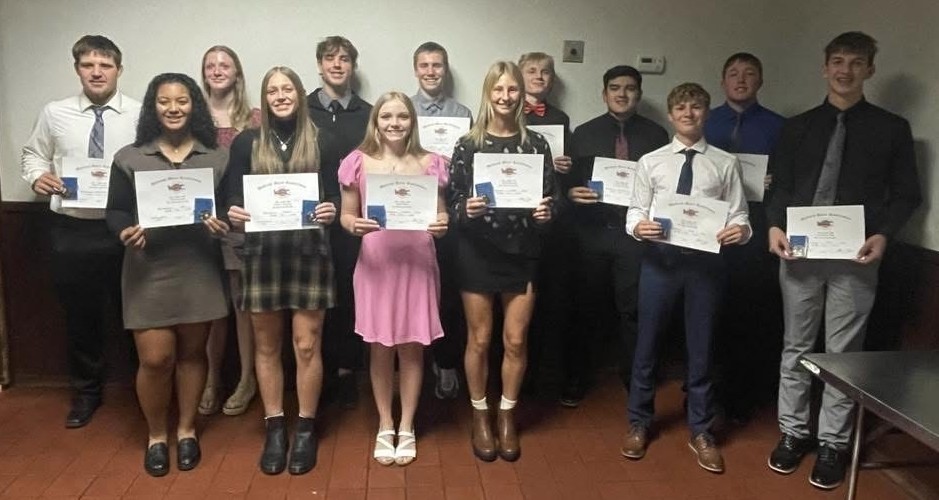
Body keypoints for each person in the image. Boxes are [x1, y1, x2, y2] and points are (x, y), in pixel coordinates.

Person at [766, 32, 920, 490]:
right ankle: (793, 433)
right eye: (837, 61)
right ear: (824, 67)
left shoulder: (892, 128)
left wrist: (883, 236)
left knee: (843, 356)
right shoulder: (796, 127)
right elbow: (777, 187)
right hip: (799, 253)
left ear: (870, 69)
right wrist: (774, 226)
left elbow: (907, 194)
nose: (845, 70)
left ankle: (833, 442)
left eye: (856, 62)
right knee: (796, 347)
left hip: (856, 256)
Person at [106, 73, 230, 476]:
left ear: (194, 105)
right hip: (148, 268)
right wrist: (123, 231)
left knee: (194, 354)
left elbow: (230, 207)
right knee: (156, 359)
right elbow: (117, 211)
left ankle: (187, 430)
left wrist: (223, 222)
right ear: (153, 107)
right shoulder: (130, 156)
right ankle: (156, 435)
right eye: (164, 101)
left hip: (199, 267)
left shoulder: (216, 156)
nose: (173, 108)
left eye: (182, 101)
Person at [622, 83, 750, 474]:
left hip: (705, 267)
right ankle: (639, 422)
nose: (689, 113)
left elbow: (741, 216)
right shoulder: (651, 161)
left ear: (706, 113)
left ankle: (701, 429)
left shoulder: (725, 164)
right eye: (681, 107)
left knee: (702, 347)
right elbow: (634, 211)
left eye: (696, 107)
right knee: (647, 345)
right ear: (671, 114)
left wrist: (740, 232)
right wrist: (638, 228)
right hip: (659, 263)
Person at [224, 66, 340, 476]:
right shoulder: (246, 142)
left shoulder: (322, 139)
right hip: (263, 254)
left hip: (309, 253)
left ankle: (305, 428)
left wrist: (332, 209)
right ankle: (275, 426)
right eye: (271, 90)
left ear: (299, 93)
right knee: (267, 346)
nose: (280, 95)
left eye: (286, 88)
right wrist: (233, 212)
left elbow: (335, 196)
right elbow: (231, 199)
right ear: (264, 97)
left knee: (307, 345)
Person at [21, 35, 141, 429]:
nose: (97, 72)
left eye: (105, 65)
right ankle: (87, 393)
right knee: (80, 317)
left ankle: (143, 392)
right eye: (88, 65)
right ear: (78, 69)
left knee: (134, 315)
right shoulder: (55, 113)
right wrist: (38, 176)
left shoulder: (139, 114)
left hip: (123, 229)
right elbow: (33, 153)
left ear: (119, 70)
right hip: (71, 228)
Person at [447, 61, 555, 462]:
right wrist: (466, 210)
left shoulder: (536, 144)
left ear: (520, 94)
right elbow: (453, 201)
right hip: (477, 252)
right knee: (479, 339)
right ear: (488, 94)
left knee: (515, 339)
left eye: (512, 90)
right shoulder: (468, 144)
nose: (506, 97)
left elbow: (552, 198)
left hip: (522, 252)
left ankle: (507, 412)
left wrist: (548, 213)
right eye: (499, 90)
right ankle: (479, 413)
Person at [338, 91, 449, 466]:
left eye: (402, 116)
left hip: (417, 265)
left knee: (412, 347)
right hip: (376, 265)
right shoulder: (357, 162)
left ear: (412, 121)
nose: (394, 123)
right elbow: (346, 216)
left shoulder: (432, 163)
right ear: (376, 121)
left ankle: (408, 424)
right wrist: (355, 225)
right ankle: (386, 424)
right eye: (386, 116)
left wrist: (442, 224)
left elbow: (441, 216)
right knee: (381, 347)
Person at [563, 65, 668, 406]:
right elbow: (570, 184)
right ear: (604, 93)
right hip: (593, 232)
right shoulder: (583, 133)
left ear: (639, 93)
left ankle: (634, 379)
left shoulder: (656, 136)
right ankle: (577, 377)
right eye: (615, 88)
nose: (622, 94)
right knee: (585, 307)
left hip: (634, 237)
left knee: (633, 310)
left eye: (630, 88)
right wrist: (571, 195)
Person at [704, 52, 786, 423]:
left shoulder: (781, 127)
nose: (741, 80)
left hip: (756, 230)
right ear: (722, 81)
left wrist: (775, 183)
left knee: (750, 309)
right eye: (733, 74)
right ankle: (706, 388)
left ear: (761, 81)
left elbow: (793, 181)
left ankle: (743, 393)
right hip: (708, 228)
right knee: (708, 307)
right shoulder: (706, 121)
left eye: (749, 74)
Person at [306, 36, 372, 409]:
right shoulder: (301, 109)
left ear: (352, 67)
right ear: (319, 65)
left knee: (349, 289)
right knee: (315, 296)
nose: (337, 65)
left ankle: (346, 369)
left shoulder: (369, 112)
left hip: (354, 217)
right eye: (330, 59)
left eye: (345, 59)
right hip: (309, 218)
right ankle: (316, 369)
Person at [198, 45, 261, 417]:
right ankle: (210, 379)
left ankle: (247, 378)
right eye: (211, 65)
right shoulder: (191, 116)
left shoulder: (254, 119)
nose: (218, 70)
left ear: (237, 73)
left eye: (225, 65)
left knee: (241, 306)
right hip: (197, 224)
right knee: (209, 306)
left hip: (238, 223)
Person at [410, 41, 471, 400]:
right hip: (412, 214)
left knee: (447, 291)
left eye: (437, 65)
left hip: (451, 213)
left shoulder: (461, 113)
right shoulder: (402, 109)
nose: (431, 71)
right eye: (424, 65)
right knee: (415, 291)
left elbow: (471, 164)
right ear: (415, 70)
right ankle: (414, 361)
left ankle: (446, 363)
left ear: (445, 70)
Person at [517, 52, 572, 399]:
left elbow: (564, 180)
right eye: (532, 71)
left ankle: (535, 376)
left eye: (545, 72)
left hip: (545, 218)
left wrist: (566, 167)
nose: (539, 76)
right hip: (509, 216)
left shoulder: (561, 118)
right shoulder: (500, 113)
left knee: (540, 300)